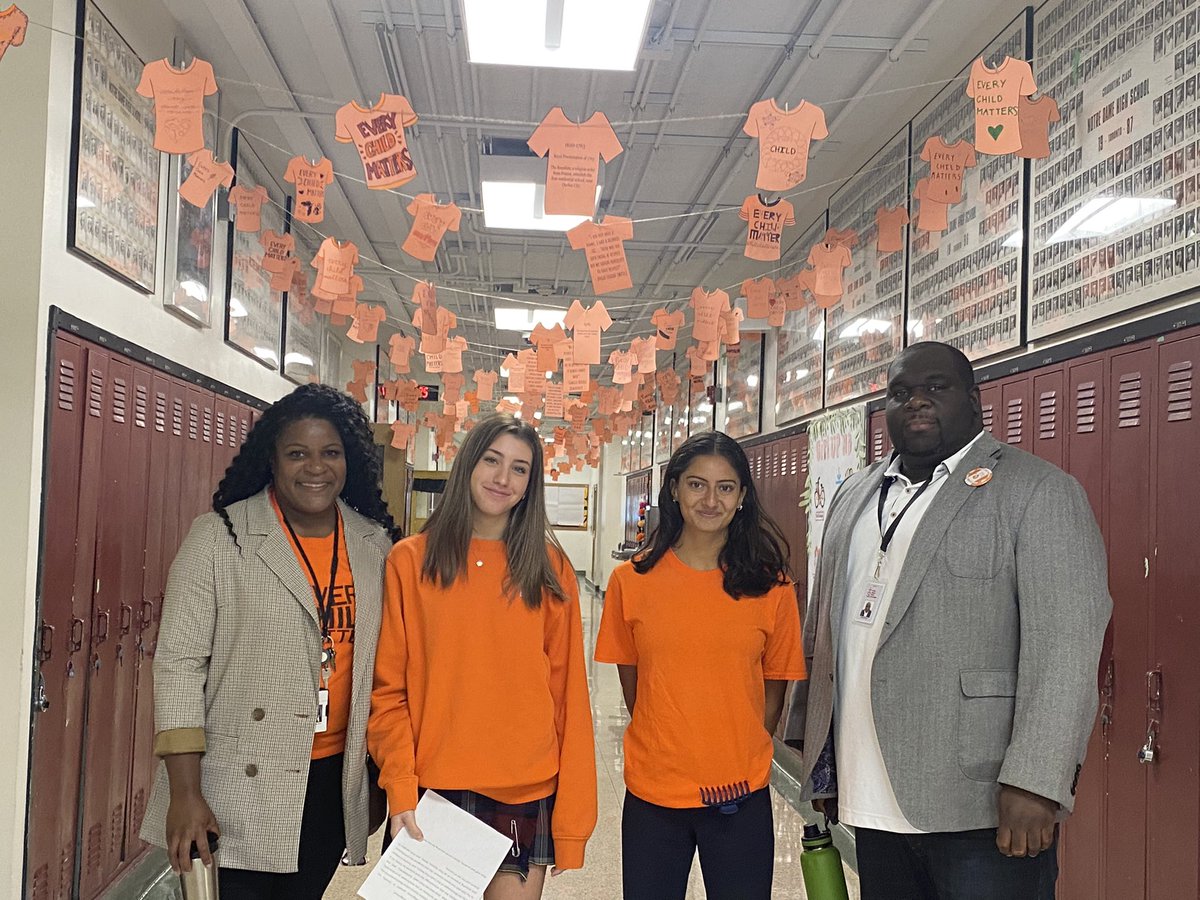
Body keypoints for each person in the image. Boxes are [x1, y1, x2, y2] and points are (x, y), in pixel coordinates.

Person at [782, 341, 1112, 900]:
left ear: (974, 400)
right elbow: (823, 632)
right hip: (871, 796)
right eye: (900, 392)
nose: (917, 401)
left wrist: (1037, 781)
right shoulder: (853, 495)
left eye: (936, 387)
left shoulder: (1037, 491)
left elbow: (1067, 648)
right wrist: (819, 757)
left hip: (981, 804)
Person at [140, 383, 398, 898]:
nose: (315, 468)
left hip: (330, 780)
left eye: (330, 453)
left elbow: (383, 674)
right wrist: (185, 793)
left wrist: (374, 779)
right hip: (234, 783)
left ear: (349, 460)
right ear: (273, 460)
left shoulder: (375, 545)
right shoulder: (220, 538)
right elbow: (179, 667)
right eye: (297, 453)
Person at [369, 413, 596, 899]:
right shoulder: (410, 561)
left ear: (530, 484)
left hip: (524, 789)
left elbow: (569, 698)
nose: (502, 478)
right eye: (492, 460)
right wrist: (400, 785)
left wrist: (573, 823)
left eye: (519, 468)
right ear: (468, 464)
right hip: (433, 791)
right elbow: (389, 692)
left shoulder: (549, 569)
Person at [595, 431, 807, 900]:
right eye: (697, 485)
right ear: (674, 489)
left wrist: (736, 746)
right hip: (653, 793)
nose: (711, 501)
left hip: (739, 794)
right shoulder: (632, 581)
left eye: (725, 487)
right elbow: (634, 684)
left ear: (742, 496)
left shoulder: (772, 588)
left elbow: (775, 687)